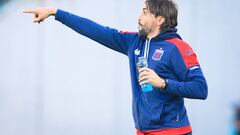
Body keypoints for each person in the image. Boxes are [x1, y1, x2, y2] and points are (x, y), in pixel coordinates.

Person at [23, 0, 208, 134]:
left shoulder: (178, 48)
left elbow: (201, 89)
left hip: (172, 131)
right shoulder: (134, 41)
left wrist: (163, 83)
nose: (139, 16)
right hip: (142, 130)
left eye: (145, 11)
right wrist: (56, 12)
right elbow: (96, 31)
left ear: (159, 19)